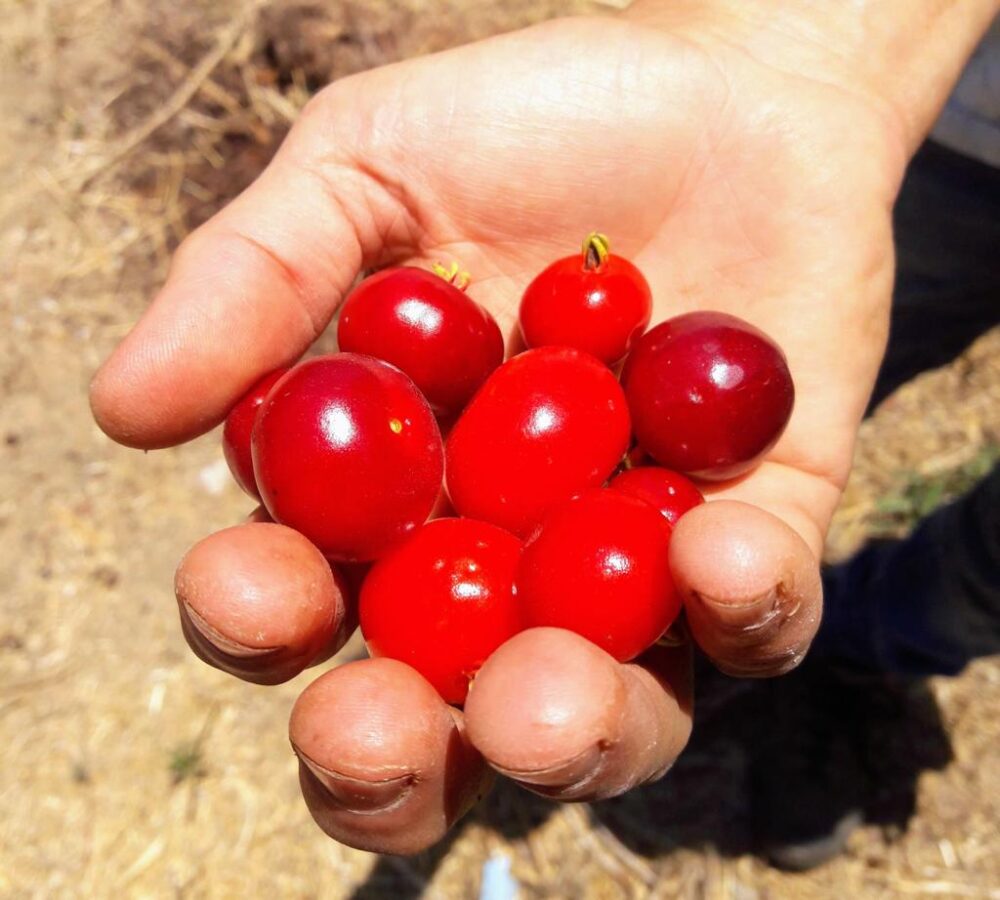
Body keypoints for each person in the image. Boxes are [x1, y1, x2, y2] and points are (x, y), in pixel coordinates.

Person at [90, 0, 1000, 859]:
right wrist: (794, 62)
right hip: (948, 140)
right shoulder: (548, 394)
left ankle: (864, 653)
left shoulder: (582, 415)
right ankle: (867, 644)